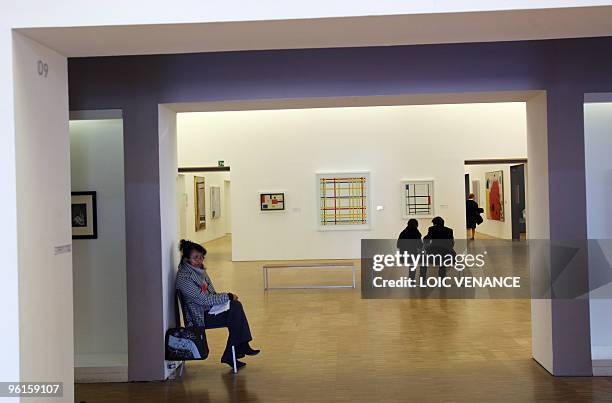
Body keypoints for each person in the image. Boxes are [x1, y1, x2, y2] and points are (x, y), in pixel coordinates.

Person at [175, 239, 259, 370]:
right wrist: (227, 296)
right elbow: (203, 300)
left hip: (209, 310)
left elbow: (212, 294)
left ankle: (238, 348)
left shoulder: (200, 272)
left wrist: (225, 300)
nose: (200, 261)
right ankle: (239, 347)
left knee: (235, 306)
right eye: (195, 257)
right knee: (235, 310)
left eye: (201, 257)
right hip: (199, 317)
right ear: (186, 259)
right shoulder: (184, 278)